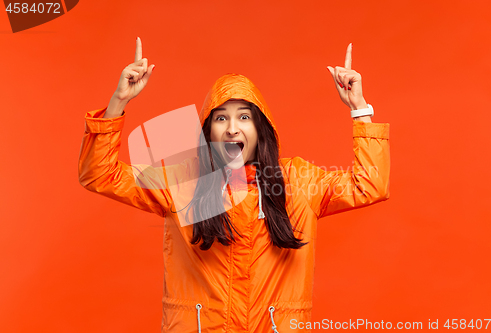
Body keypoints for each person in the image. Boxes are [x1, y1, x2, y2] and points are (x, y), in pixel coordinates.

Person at [78, 37, 390, 333]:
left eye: (244, 117)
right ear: (208, 131)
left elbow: (369, 185)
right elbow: (100, 174)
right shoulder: (184, 183)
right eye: (221, 118)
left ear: (260, 127)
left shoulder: (299, 182)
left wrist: (359, 109)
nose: (231, 129)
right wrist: (118, 101)